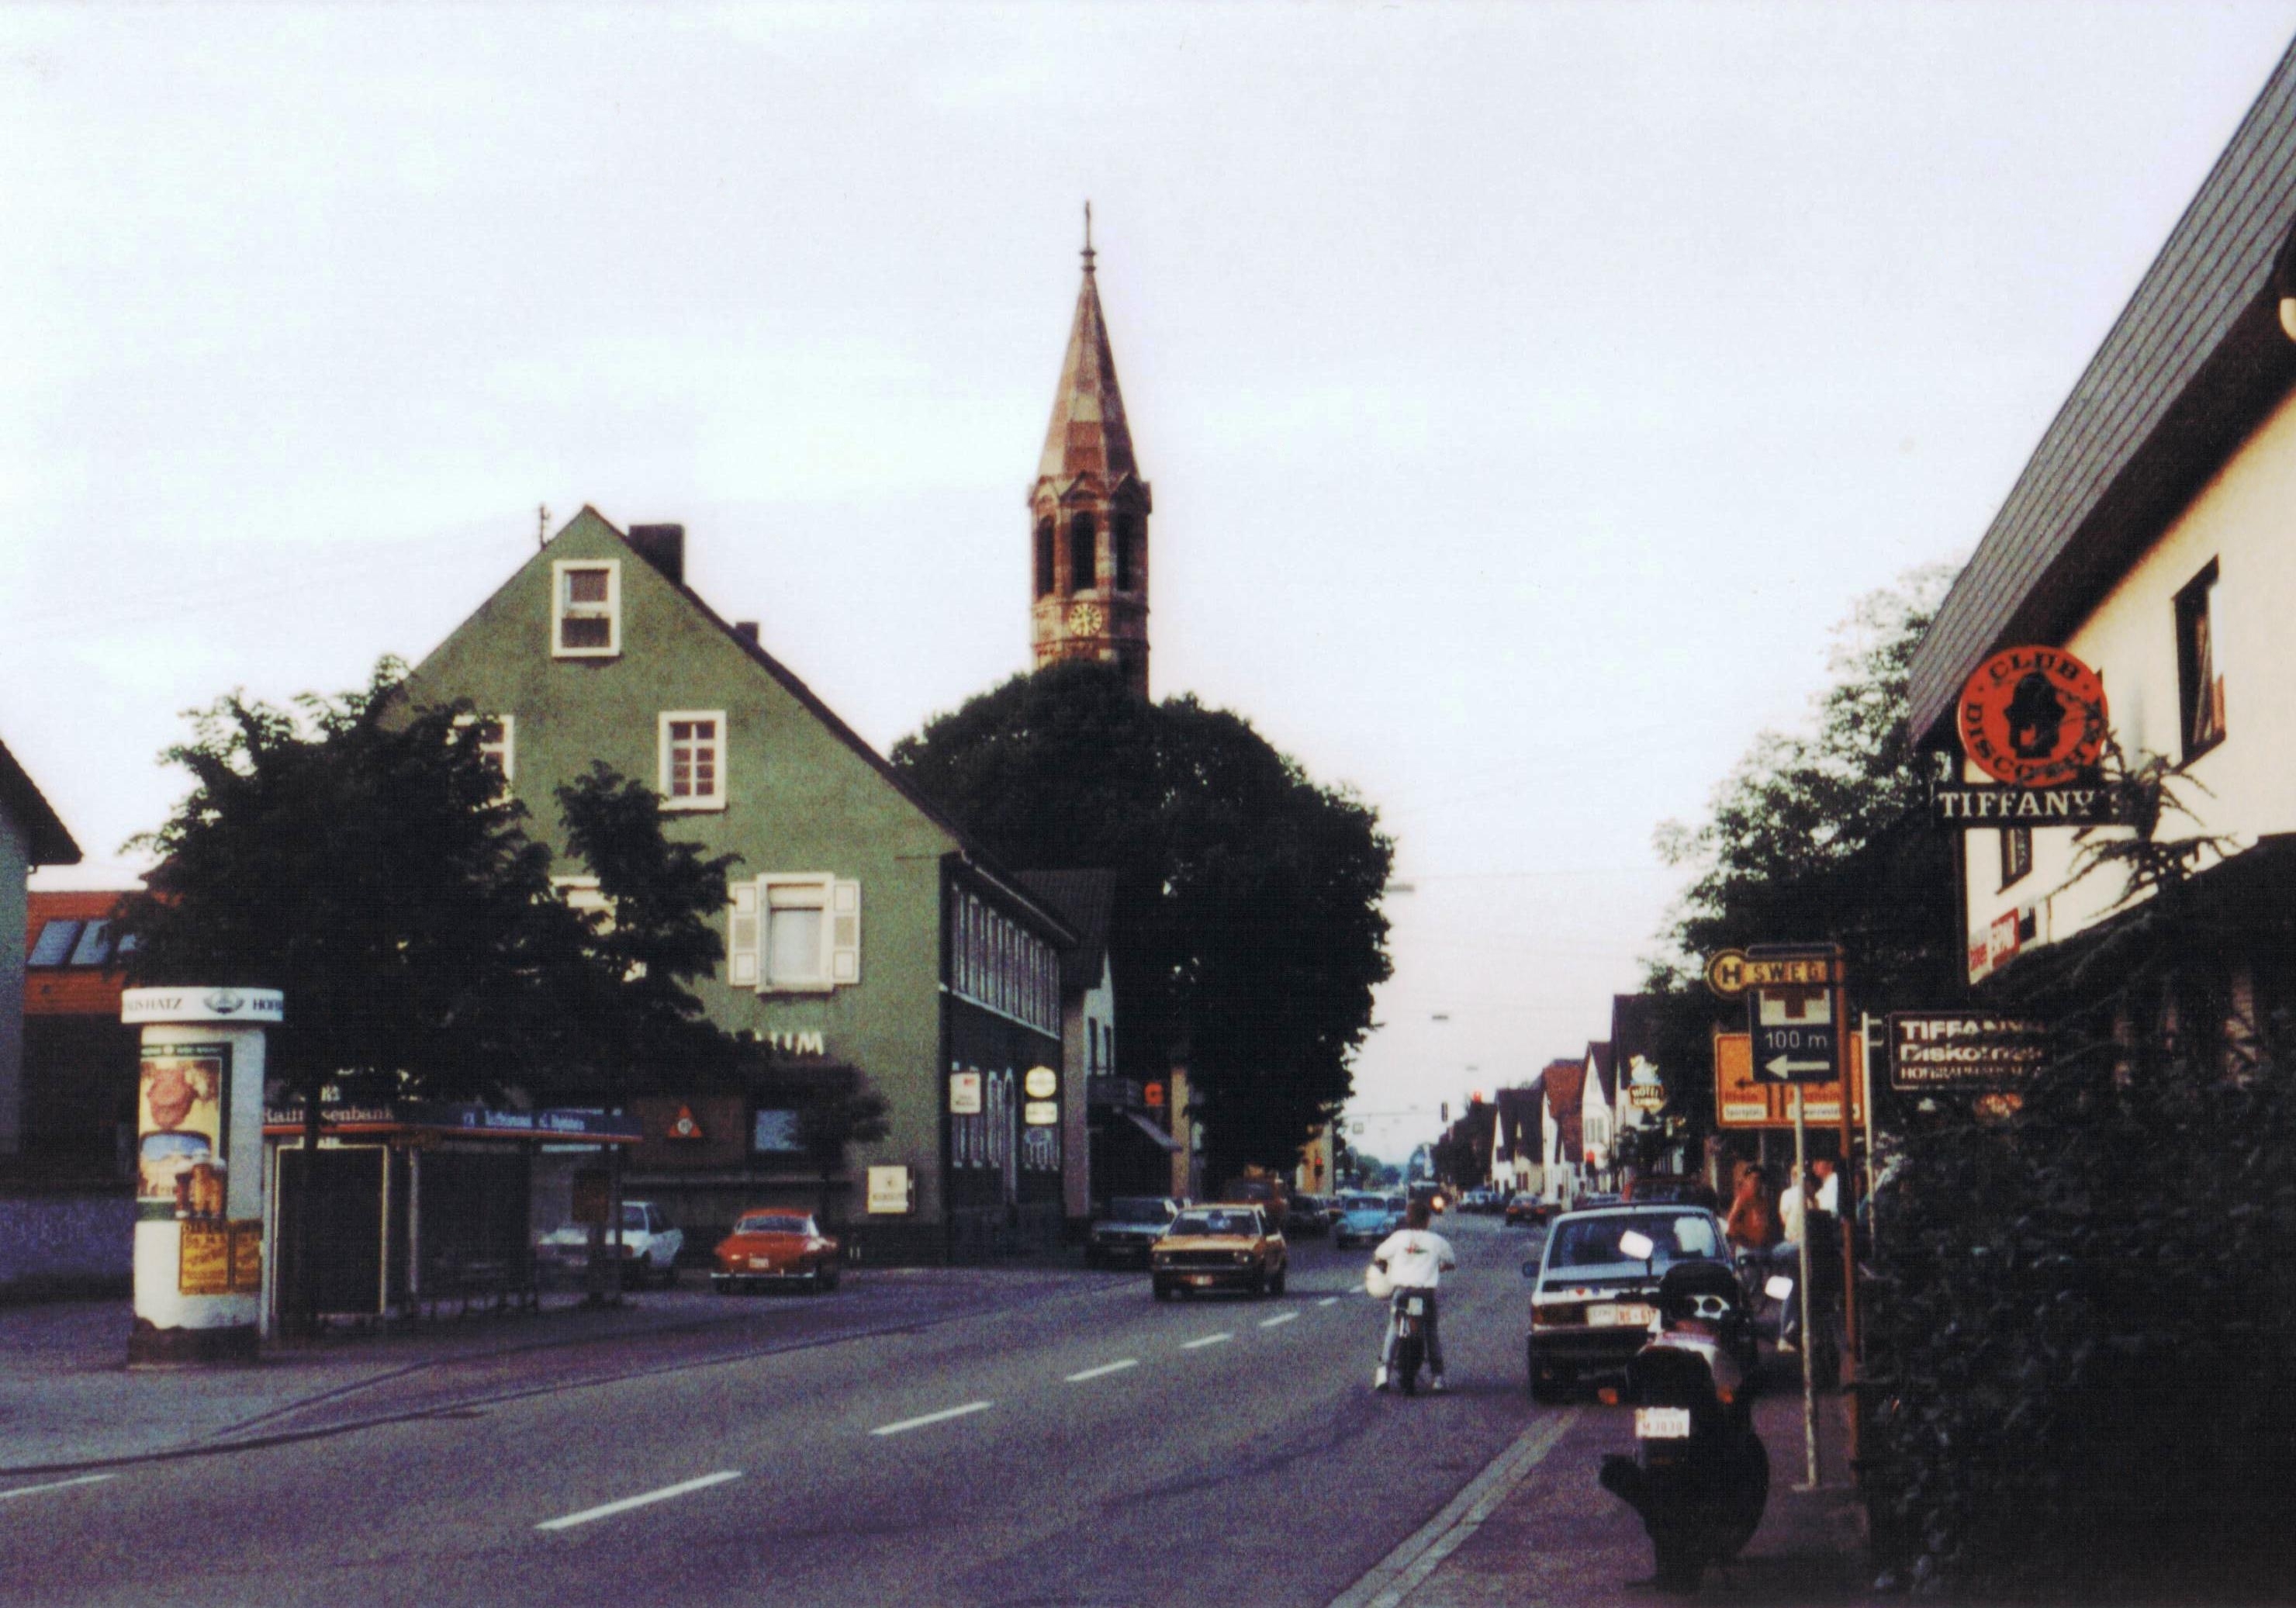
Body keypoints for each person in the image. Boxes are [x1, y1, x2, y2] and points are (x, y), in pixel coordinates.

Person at [1371, 1198, 1456, 1392]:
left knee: (1394, 1327)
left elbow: (1380, 1253)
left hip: (1402, 1291)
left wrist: (1387, 1264)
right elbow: (1451, 1261)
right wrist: (1440, 1266)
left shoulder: (1399, 1237)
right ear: (1427, 1220)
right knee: (1430, 1331)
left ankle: (1383, 1374)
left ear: (1408, 1218)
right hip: (1424, 1293)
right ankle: (1438, 1377)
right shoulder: (1436, 1241)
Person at [1722, 1162, 1776, 1256]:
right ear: (1746, 1180)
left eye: (1758, 1180)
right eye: (1752, 1179)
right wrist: (1743, 1241)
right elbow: (1731, 1225)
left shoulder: (1764, 1202)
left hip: (1763, 1250)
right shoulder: (1742, 1201)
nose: (1755, 1183)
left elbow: (1769, 1225)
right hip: (1746, 1251)